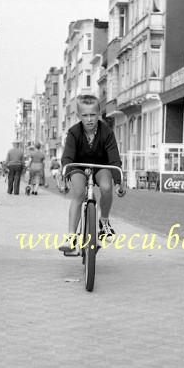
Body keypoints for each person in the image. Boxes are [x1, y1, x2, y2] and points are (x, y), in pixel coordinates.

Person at [59, 94, 124, 253]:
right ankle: (71, 237)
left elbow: (114, 157)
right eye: (85, 115)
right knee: (79, 193)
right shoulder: (74, 132)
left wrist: (118, 181)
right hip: (78, 167)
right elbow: (67, 156)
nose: (89, 119)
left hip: (100, 166)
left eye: (93, 115)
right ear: (78, 116)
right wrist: (65, 175)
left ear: (99, 114)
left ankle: (104, 223)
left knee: (106, 187)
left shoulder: (106, 131)